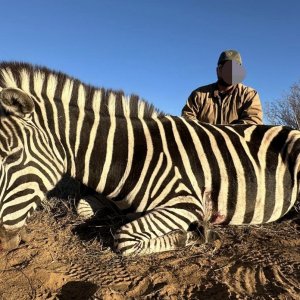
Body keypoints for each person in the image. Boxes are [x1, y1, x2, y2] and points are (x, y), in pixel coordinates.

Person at [182, 50, 263, 125]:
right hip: (204, 140)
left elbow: (253, 122)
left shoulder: (249, 94)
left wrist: (224, 135)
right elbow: (187, 119)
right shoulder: (198, 94)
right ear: (218, 70)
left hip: (237, 140)